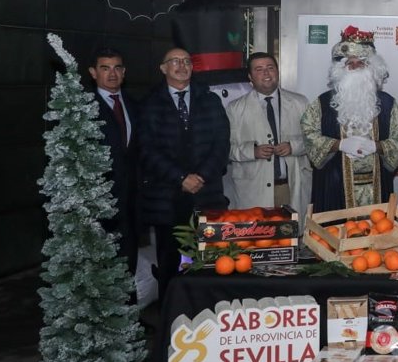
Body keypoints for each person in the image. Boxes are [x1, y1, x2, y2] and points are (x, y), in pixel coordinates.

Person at [138, 47, 230, 299]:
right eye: (175, 61)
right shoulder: (150, 103)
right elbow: (146, 150)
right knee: (170, 264)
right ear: (163, 68)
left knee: (213, 261)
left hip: (207, 194)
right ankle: (171, 314)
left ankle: (211, 311)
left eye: (187, 61)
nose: (182, 66)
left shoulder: (209, 100)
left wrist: (201, 176)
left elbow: (222, 145)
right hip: (167, 198)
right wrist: (180, 178)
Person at [302, 26, 398, 212]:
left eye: (362, 63)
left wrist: (377, 146)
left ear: (372, 68)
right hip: (334, 186)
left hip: (377, 185)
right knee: (335, 228)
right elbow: (308, 133)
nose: (355, 67)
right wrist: (339, 145)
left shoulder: (388, 103)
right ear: (340, 68)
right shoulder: (322, 103)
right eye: (350, 63)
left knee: (377, 227)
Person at [225, 53, 312, 211]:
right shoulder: (235, 108)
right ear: (250, 77)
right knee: (259, 227)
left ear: (278, 72)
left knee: (293, 227)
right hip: (253, 189)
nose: (266, 73)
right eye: (259, 69)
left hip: (290, 186)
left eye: (270, 68)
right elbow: (225, 148)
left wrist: (293, 146)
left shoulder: (300, 102)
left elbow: (315, 141)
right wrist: (252, 151)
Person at [88, 47, 140, 276]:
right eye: (105, 68)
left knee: (128, 263)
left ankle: (129, 300)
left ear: (124, 72)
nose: (112, 73)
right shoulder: (84, 109)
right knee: (101, 269)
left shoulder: (134, 105)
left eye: (117, 68)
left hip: (131, 204)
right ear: (93, 72)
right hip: (99, 204)